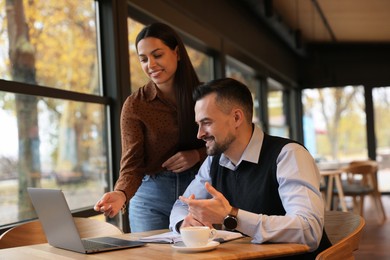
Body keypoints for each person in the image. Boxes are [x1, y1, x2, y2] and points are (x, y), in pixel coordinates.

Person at [169, 78, 331, 258]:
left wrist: (231, 216)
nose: (199, 134)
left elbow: (309, 231)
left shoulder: (289, 155)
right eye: (198, 124)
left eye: (206, 122)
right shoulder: (213, 161)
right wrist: (185, 222)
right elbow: (182, 205)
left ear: (237, 117)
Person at [94, 22, 206, 232]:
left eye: (158, 55)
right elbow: (132, 163)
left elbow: (226, 144)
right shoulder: (136, 105)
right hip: (150, 199)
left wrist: (197, 155)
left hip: (197, 192)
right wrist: (121, 193)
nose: (151, 64)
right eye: (144, 59)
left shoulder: (206, 97)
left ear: (177, 53)